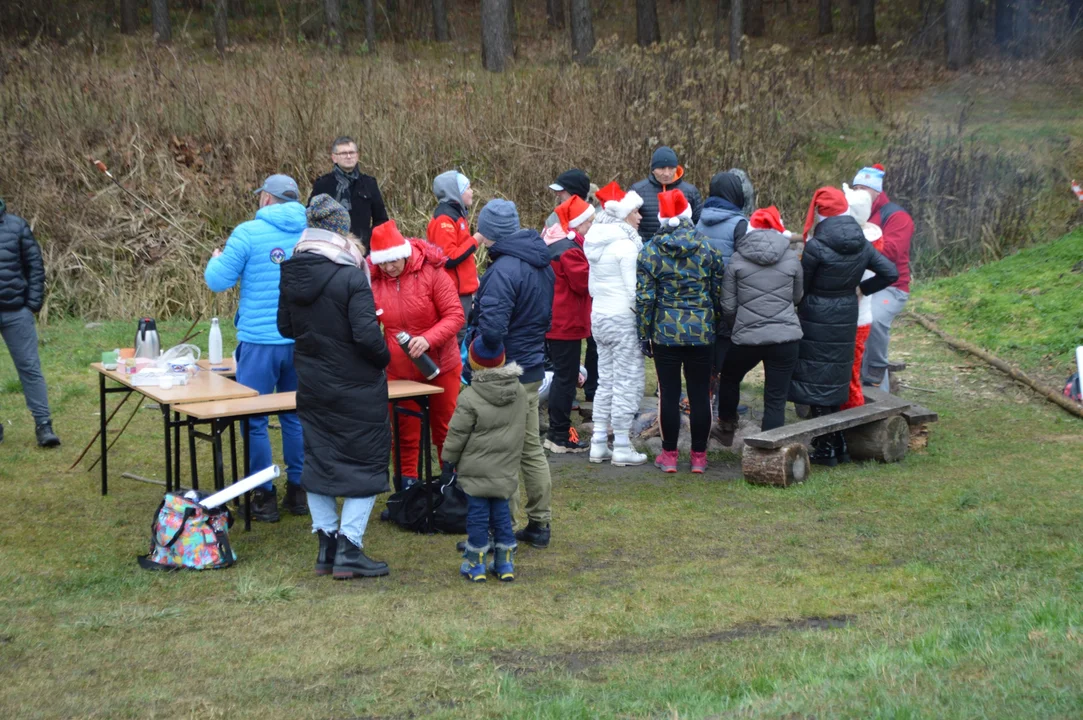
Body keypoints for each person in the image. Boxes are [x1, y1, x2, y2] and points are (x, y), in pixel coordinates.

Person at [277, 195, 391, 579]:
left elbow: (285, 329)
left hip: (312, 380)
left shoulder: (290, 271)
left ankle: (326, 546)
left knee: (320, 459)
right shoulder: (350, 275)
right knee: (365, 461)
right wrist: (384, 355)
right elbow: (365, 336)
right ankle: (350, 547)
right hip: (355, 384)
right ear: (341, 231)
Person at [205, 174, 306, 521]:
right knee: (295, 416)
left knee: (254, 419)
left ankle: (263, 496)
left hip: (260, 343)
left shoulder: (247, 233)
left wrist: (215, 258)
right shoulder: (308, 234)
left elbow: (217, 280)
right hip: (300, 342)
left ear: (266, 198)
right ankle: (299, 491)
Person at [789, 187, 898, 466]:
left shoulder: (816, 245)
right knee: (836, 374)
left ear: (821, 213)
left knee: (816, 377)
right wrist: (862, 287)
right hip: (847, 311)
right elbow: (890, 272)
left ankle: (825, 449)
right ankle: (837, 444)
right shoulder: (861, 241)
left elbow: (803, 286)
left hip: (817, 314)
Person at [472, 199, 556, 549]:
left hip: (506, 372)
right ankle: (539, 524)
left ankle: (500, 529)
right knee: (530, 447)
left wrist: (474, 347)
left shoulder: (503, 271)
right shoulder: (540, 262)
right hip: (532, 366)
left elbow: (492, 331)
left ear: (490, 233)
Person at [368, 220, 464, 487]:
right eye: (383, 263)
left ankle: (452, 481)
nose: (388, 268)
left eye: (393, 261)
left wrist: (427, 339)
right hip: (398, 370)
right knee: (403, 429)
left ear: (404, 253)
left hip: (441, 364)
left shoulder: (432, 273)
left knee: (445, 428)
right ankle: (407, 483)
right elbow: (366, 324)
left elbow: (455, 315)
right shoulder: (374, 282)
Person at [636, 189, 723, 474]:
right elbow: (717, 292)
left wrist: (644, 332)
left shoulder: (650, 250)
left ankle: (669, 455)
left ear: (661, 218)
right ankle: (699, 457)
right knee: (700, 395)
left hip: (665, 333)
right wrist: (714, 324)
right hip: (701, 331)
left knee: (669, 395)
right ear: (688, 213)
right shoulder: (709, 248)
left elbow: (645, 298)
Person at [442, 338, 528, 583]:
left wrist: (448, 461)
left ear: (472, 363)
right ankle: (504, 563)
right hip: (505, 467)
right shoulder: (519, 392)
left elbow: (457, 434)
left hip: (476, 470)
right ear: (502, 359)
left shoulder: (469, 397)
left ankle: (475, 563)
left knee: (478, 515)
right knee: (501, 513)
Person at [716, 207, 803, 444]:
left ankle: (726, 428)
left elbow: (728, 304)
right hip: (785, 338)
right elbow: (797, 297)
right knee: (776, 396)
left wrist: (738, 326)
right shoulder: (791, 256)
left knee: (730, 377)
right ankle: (769, 451)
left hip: (747, 337)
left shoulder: (737, 257)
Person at [583, 182, 647, 466]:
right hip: (622, 319)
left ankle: (598, 441)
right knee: (627, 380)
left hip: (600, 318)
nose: (640, 217)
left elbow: (592, 287)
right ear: (623, 215)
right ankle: (621, 444)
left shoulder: (595, 243)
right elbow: (634, 291)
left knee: (605, 380)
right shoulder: (625, 245)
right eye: (636, 211)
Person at [0, 197, 59, 448]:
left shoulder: (17, 226)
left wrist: (32, 304)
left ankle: (43, 426)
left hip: (16, 312)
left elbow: (35, 266)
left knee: (30, 369)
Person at [852, 165, 914, 389]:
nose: (859, 193)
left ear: (877, 191)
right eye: (856, 188)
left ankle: (876, 374)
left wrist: (861, 238)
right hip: (858, 283)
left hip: (890, 286)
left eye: (864, 188)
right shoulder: (853, 211)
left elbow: (891, 253)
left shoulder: (897, 216)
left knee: (874, 320)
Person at [543, 195, 594, 454]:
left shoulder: (555, 242)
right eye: (589, 222)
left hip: (557, 321)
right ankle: (560, 435)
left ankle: (557, 432)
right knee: (565, 379)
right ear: (579, 223)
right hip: (566, 323)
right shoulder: (571, 250)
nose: (592, 226)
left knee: (563, 377)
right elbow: (584, 284)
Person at [696, 171, 750, 402]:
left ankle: (703, 397)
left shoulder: (699, 218)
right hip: (729, 295)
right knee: (726, 347)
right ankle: (723, 403)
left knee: (706, 346)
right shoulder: (740, 223)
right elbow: (744, 261)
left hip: (702, 293)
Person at [841, 185, 884, 410]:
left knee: (850, 378)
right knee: (849, 374)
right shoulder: (875, 237)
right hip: (858, 316)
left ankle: (853, 421)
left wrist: (862, 289)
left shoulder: (859, 242)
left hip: (854, 317)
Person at [308, 136, 389, 248]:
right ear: (334, 157)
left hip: (362, 248)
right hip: (329, 247)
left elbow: (381, 220)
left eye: (352, 152)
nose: (348, 156)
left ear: (357, 156)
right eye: (343, 153)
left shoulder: (369, 184)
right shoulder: (323, 184)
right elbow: (311, 216)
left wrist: (369, 241)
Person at [426, 171, 478, 342]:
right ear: (455, 191)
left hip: (462, 289)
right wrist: (475, 240)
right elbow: (448, 258)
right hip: (453, 290)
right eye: (468, 188)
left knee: (461, 332)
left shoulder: (456, 214)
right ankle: (451, 368)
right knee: (455, 334)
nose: (472, 192)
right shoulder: (444, 219)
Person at [630, 146, 704, 242]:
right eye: (661, 168)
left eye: (671, 168)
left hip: (681, 251)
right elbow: (628, 223)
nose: (667, 173)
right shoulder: (638, 191)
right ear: (653, 169)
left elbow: (698, 224)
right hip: (646, 251)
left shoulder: (690, 191)